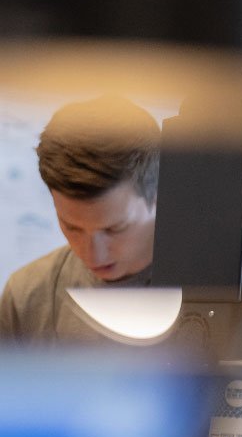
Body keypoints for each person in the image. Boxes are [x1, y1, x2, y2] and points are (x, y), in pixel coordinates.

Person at [0, 96, 160, 342]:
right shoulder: (26, 298)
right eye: (71, 227)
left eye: (115, 228)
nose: (94, 255)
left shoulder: (220, 292)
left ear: (159, 196)